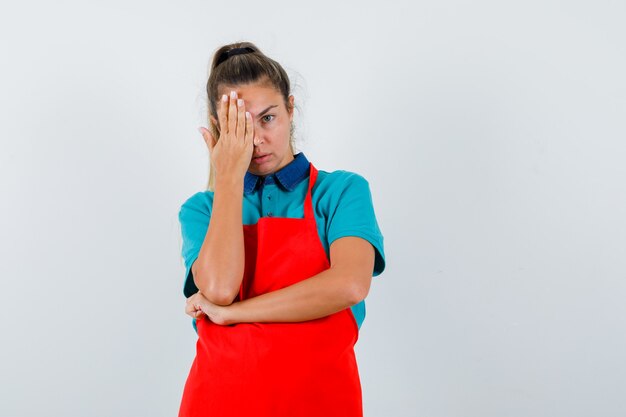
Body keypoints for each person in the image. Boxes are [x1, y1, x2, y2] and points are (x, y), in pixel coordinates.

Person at [177, 41, 386, 417]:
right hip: (218, 403)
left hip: (321, 403)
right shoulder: (203, 209)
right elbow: (221, 289)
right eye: (238, 124)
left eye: (267, 118)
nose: (255, 139)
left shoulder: (340, 192)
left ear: (291, 110)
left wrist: (234, 315)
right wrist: (227, 179)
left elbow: (349, 285)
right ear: (217, 129)